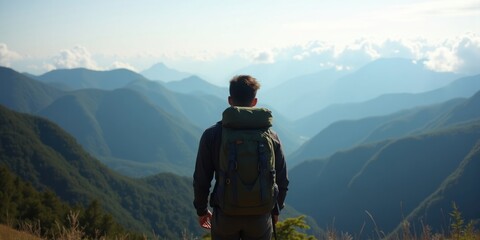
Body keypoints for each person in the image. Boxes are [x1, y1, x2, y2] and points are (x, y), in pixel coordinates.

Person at [193, 75, 289, 240]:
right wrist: (276, 209)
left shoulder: (212, 135)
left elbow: (202, 178)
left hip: (225, 215)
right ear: (254, 102)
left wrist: (201, 210)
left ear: (230, 100)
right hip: (260, 216)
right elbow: (282, 179)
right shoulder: (271, 136)